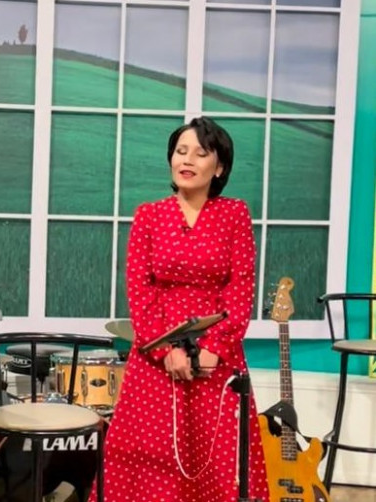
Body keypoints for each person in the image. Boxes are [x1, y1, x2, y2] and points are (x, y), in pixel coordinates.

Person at [91, 117, 269, 501]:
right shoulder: (149, 216)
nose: (186, 160)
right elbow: (140, 292)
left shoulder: (235, 214)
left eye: (200, 154)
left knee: (220, 466)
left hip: (216, 358)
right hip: (156, 360)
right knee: (151, 464)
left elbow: (240, 288)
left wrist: (214, 348)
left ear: (219, 167)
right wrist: (166, 349)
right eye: (180, 151)